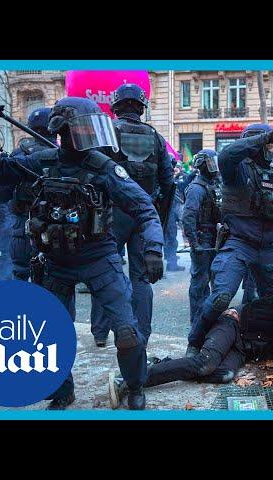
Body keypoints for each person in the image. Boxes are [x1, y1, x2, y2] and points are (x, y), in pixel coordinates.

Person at [0, 97, 165, 410]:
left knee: (128, 333)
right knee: (50, 337)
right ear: (62, 130)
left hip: (99, 260)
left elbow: (145, 208)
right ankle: (63, 392)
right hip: (54, 263)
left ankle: (135, 386)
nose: (91, 136)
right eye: (83, 128)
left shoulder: (103, 168)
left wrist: (154, 248)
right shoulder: (43, 161)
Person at [108, 288, 273, 408]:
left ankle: (161, 365)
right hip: (233, 324)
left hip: (244, 349)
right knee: (205, 363)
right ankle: (131, 378)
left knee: (223, 374)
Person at [185, 123, 273, 356]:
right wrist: (266, 137)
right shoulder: (235, 169)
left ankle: (260, 344)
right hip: (239, 243)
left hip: (268, 248)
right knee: (221, 297)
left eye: (270, 145)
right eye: (266, 145)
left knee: (270, 302)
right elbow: (227, 153)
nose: (268, 149)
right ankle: (195, 342)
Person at [90, 83, 174, 346]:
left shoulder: (107, 133)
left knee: (105, 271)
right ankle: (142, 336)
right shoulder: (156, 137)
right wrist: (156, 219)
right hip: (143, 215)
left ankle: (101, 333)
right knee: (141, 278)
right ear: (141, 107)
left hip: (111, 215)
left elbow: (92, 177)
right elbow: (169, 183)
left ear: (116, 107)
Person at [9, 107, 58, 281]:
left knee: (20, 274)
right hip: (54, 227)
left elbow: (1, 191)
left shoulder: (18, 153)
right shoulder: (62, 153)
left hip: (24, 223)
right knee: (55, 281)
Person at [181, 149, 221, 325]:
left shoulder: (213, 185)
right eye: (211, 162)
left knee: (216, 281)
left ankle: (209, 318)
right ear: (201, 165)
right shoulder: (196, 189)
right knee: (200, 282)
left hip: (216, 239)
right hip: (203, 239)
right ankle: (197, 321)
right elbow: (188, 217)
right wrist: (194, 243)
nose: (214, 166)